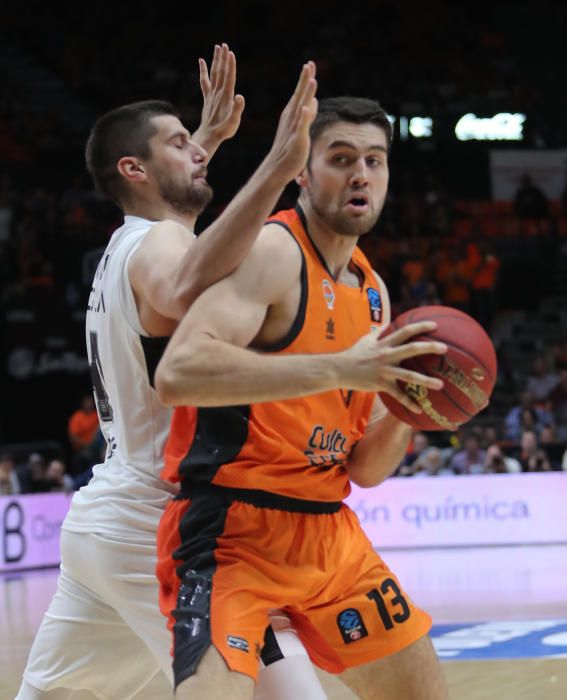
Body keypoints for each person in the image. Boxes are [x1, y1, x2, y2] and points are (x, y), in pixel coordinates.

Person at [17, 49, 336, 700]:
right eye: (180, 144)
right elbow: (185, 281)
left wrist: (207, 141)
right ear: (133, 168)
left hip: (108, 518)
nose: (198, 152)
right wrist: (277, 166)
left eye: (196, 143)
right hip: (150, 527)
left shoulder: (127, 240)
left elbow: (177, 237)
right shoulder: (159, 245)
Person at [155, 97, 449, 699]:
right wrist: (340, 367)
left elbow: (366, 469)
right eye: (341, 158)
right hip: (232, 529)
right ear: (302, 173)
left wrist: (409, 408)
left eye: (375, 160)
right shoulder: (273, 253)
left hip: (330, 535)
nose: (361, 174)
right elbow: (178, 372)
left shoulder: (374, 294)